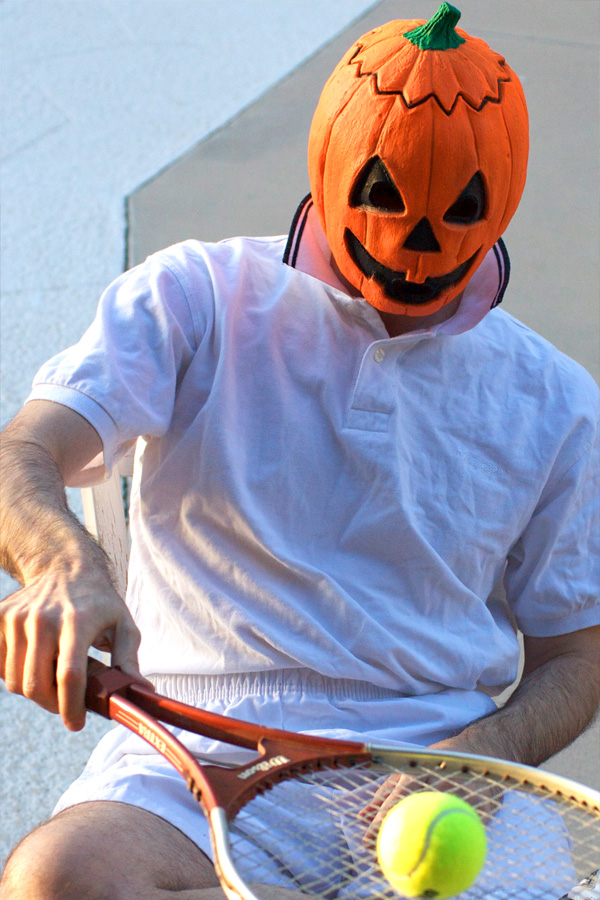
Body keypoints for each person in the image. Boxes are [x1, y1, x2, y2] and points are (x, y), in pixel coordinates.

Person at [1, 6, 599, 900]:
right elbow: (25, 450)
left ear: (500, 201)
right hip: (189, 752)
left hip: (435, 777)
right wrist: (61, 562)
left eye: (459, 207)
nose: (416, 239)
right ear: (327, 162)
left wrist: (481, 753)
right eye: (383, 191)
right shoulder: (194, 294)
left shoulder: (555, 399)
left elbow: (577, 656)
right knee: (57, 879)